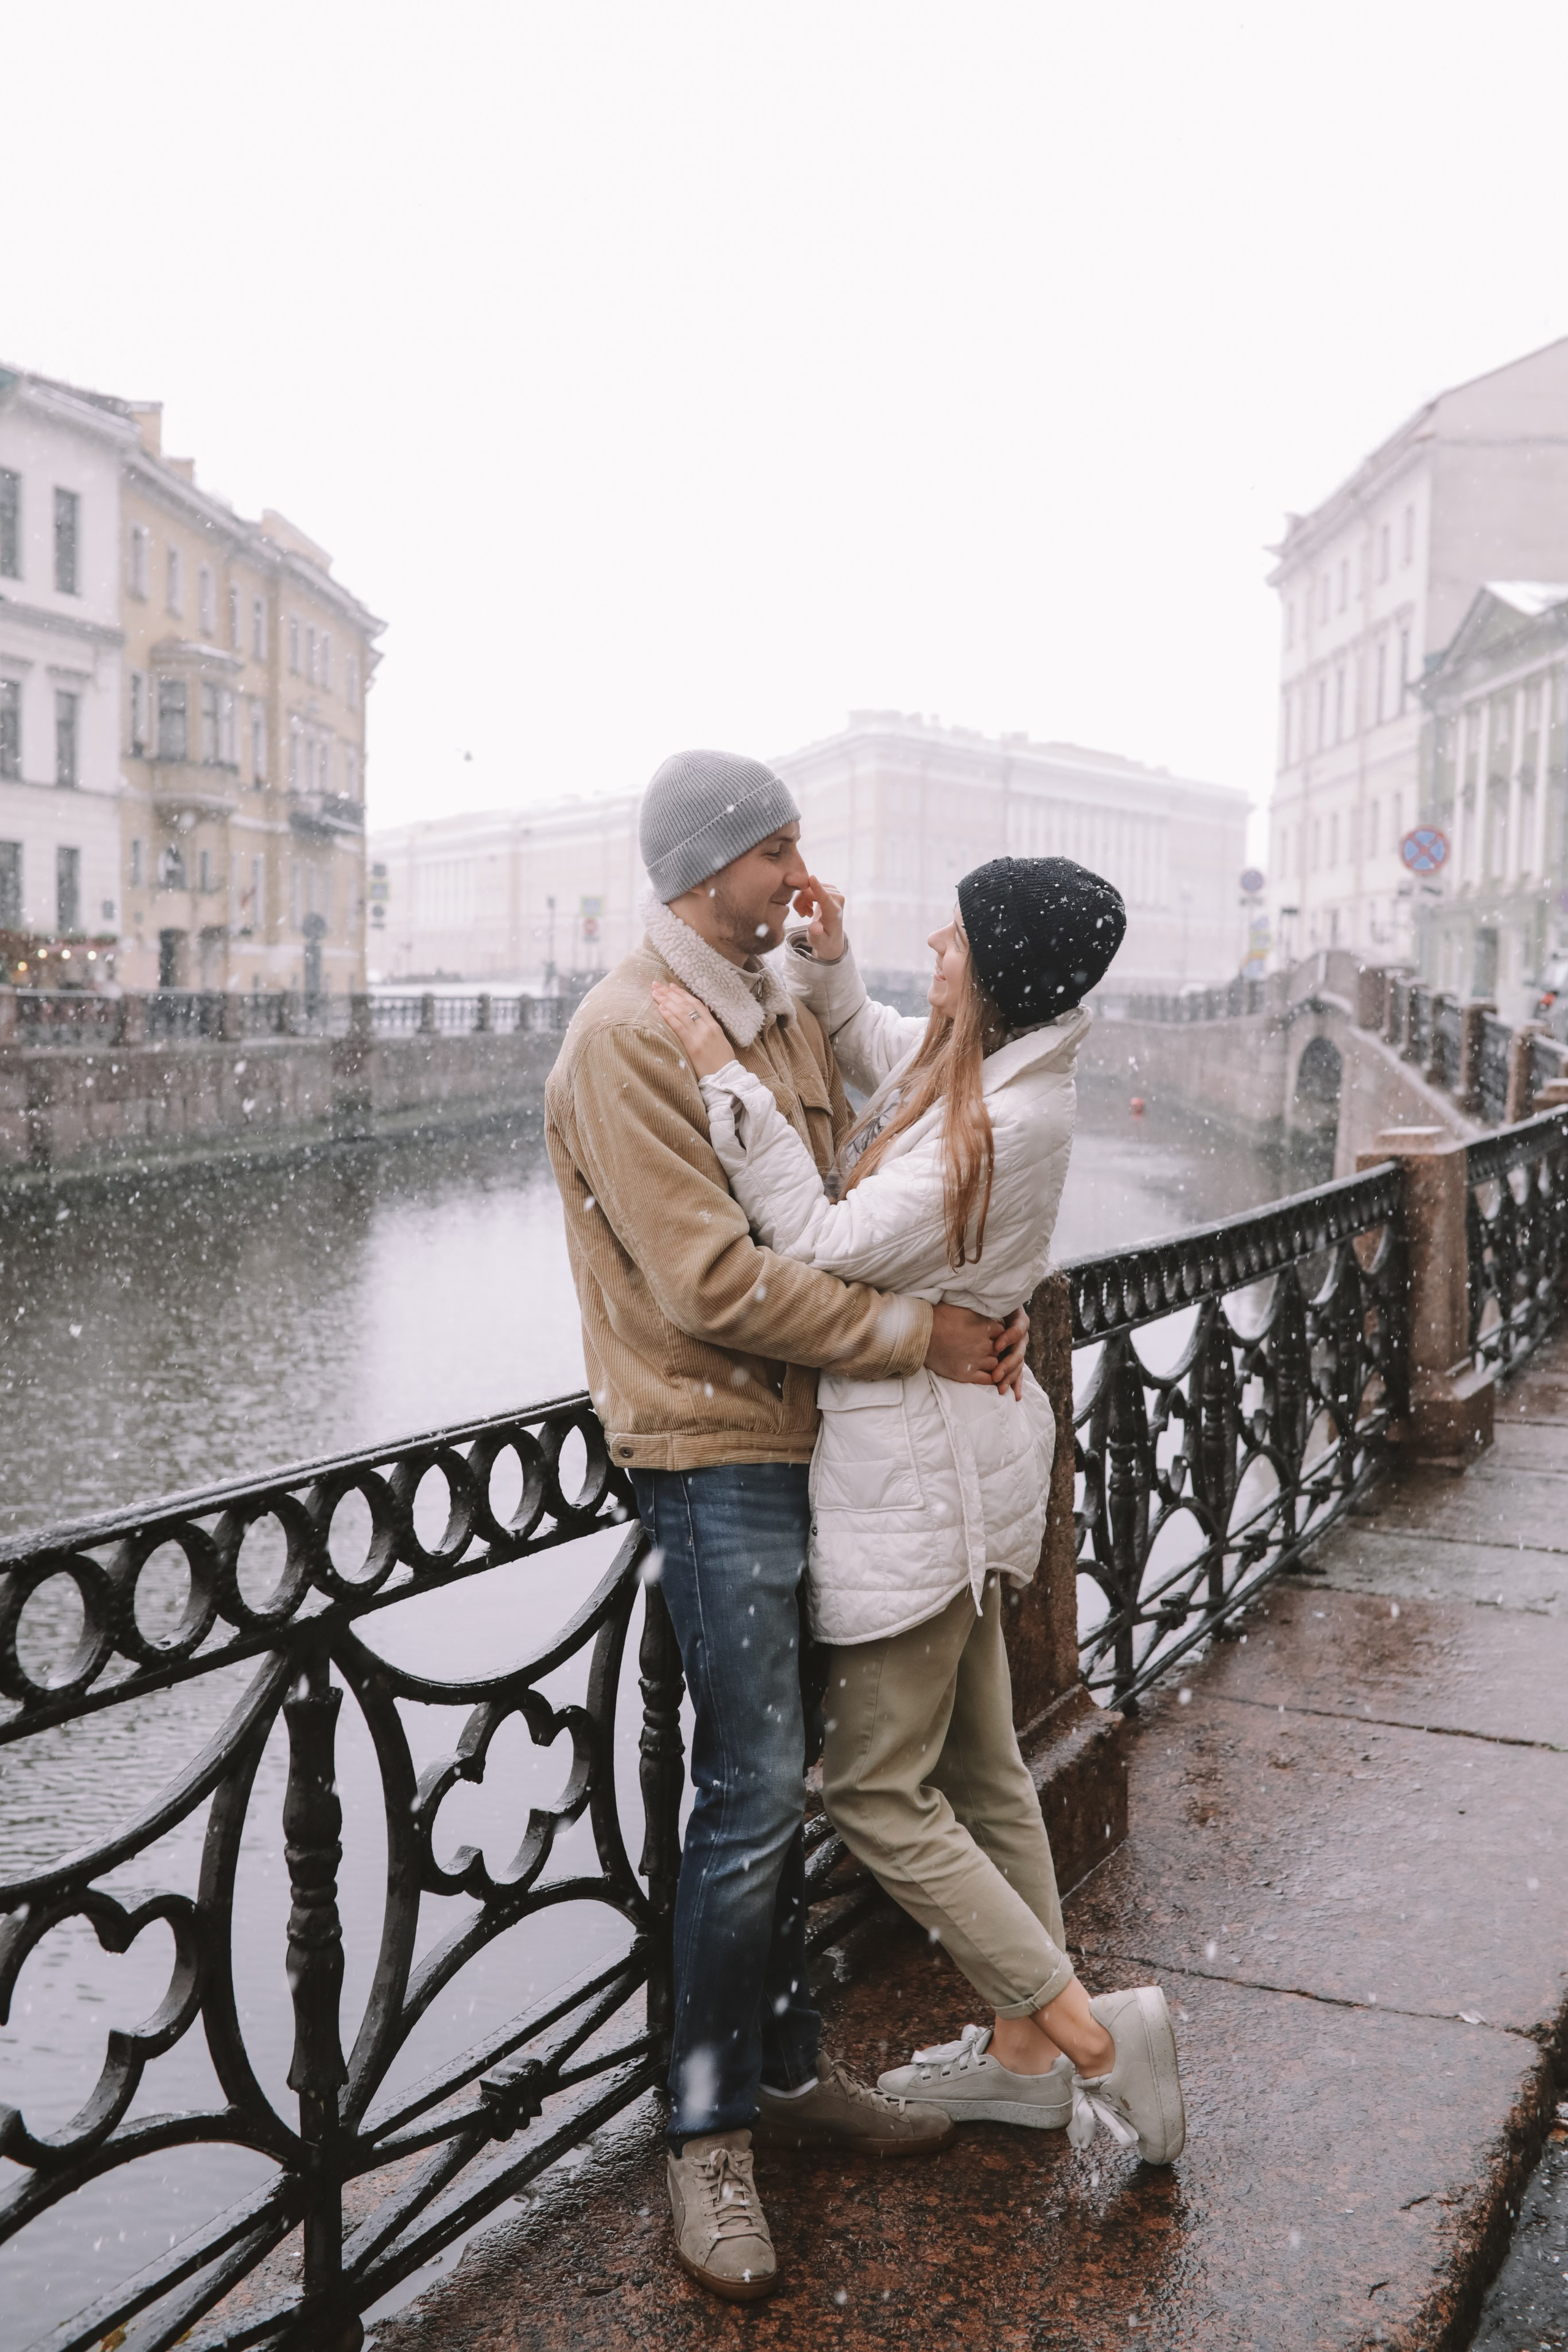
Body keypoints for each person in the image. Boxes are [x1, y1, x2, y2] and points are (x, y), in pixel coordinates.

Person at [545, 748, 1032, 2304]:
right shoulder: (627, 1036)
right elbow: (711, 1282)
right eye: (776, 852)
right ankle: (705, 2134)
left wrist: (829, 973)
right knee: (750, 1791)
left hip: (807, 1435)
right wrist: (915, 1340)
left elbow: (851, 1180)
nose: (798, 874)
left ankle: (787, 2069)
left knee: (785, 1781)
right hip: (713, 1449)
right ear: (708, 866)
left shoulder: (761, 1002)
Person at [650, 851, 1188, 2176]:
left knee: (875, 1791)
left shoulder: (1009, 1119)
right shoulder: (990, 1065)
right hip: (956, 1465)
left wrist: (721, 1076)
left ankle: (1088, 2037)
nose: (934, 946)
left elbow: (823, 1244)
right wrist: (830, 970)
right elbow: (893, 1054)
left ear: (995, 970)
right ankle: (1022, 2062)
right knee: (985, 1770)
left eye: (954, 935)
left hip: (915, 1479)